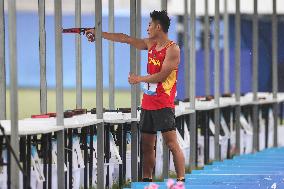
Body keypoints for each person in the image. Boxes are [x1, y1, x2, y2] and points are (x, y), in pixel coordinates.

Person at [85, 10, 185, 182]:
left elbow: (162, 75)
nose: (147, 28)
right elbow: (125, 38)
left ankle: (181, 179)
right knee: (147, 145)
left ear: (158, 27)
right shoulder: (150, 44)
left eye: (150, 25)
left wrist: (138, 79)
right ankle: (148, 180)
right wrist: (98, 33)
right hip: (147, 104)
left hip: (164, 104)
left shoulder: (172, 49)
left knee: (171, 143)